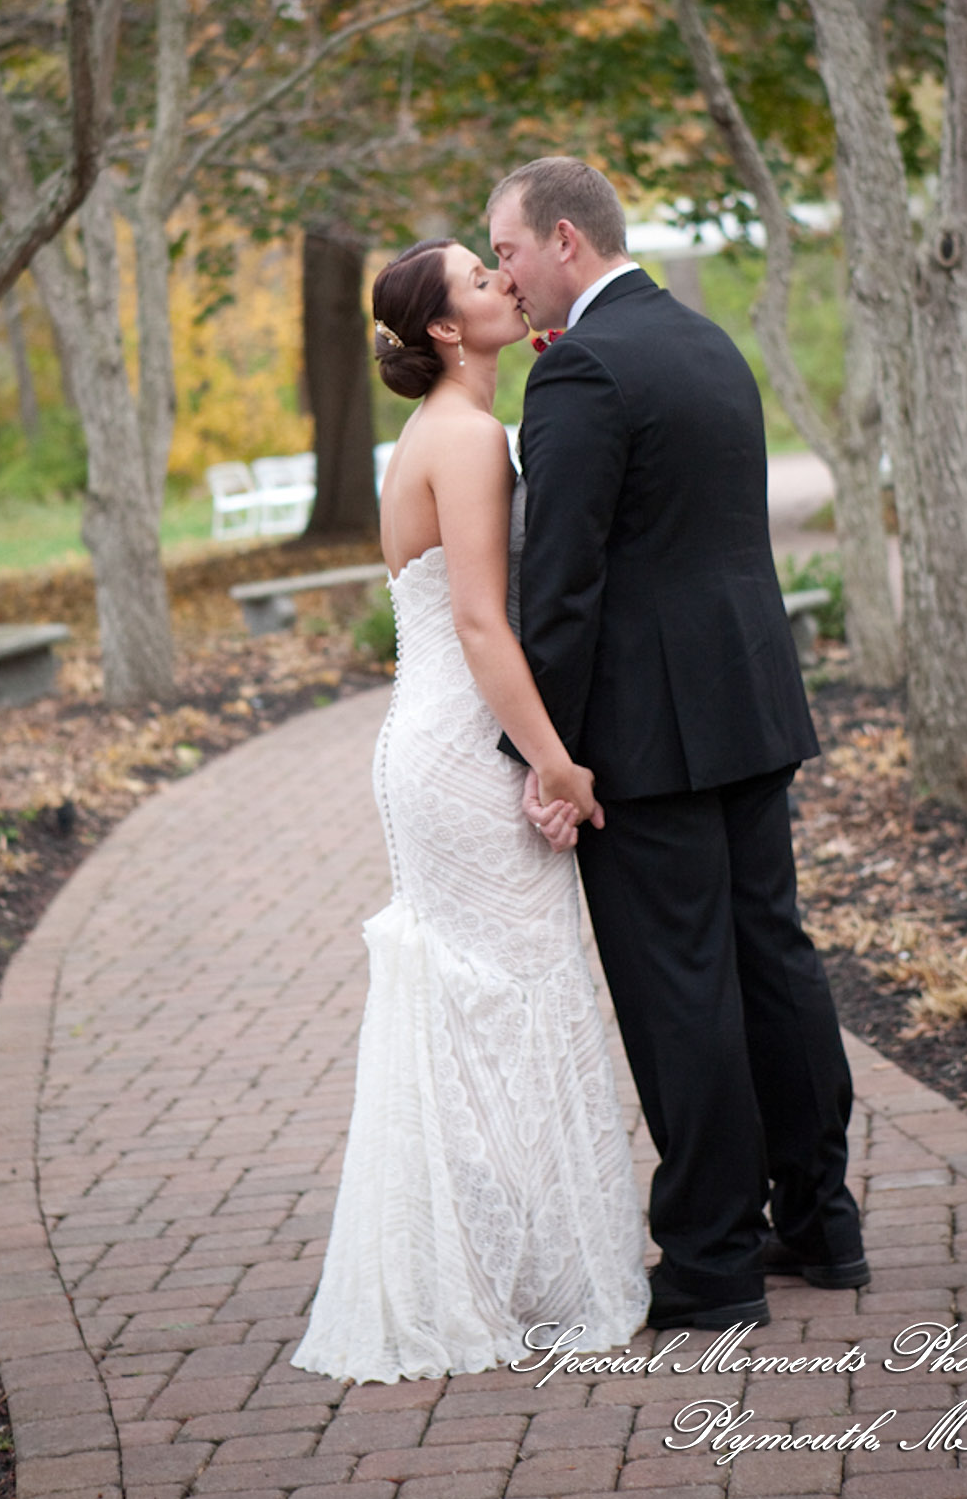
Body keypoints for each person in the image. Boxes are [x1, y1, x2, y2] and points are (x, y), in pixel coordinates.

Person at [487, 157, 867, 1333]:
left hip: (644, 733)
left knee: (679, 985)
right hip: (747, 699)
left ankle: (710, 1256)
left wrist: (542, 755)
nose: (502, 272)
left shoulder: (584, 370)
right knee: (772, 959)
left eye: (505, 251)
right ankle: (820, 1217)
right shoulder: (704, 342)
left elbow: (559, 588)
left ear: (563, 239)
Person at [290, 238, 649, 1385]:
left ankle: (487, 1265)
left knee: (482, 1000)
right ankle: (506, 1277)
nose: (506, 284)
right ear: (447, 329)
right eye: (481, 280)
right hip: (462, 748)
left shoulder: (445, 432)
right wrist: (556, 766)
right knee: (516, 991)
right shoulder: (464, 439)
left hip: (431, 742)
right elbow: (488, 626)